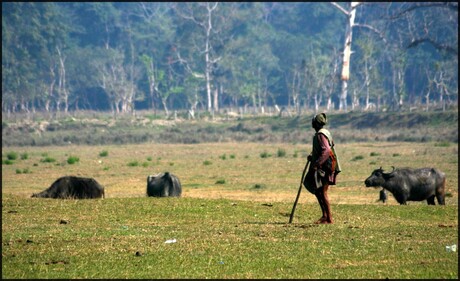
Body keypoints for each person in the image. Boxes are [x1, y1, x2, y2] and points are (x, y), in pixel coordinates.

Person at [303, 113, 341, 224]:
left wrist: (317, 164)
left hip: (325, 167)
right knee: (318, 191)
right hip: (325, 165)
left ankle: (328, 218)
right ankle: (325, 216)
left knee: (322, 192)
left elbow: (326, 151)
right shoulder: (325, 133)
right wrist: (313, 156)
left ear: (315, 123)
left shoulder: (321, 135)